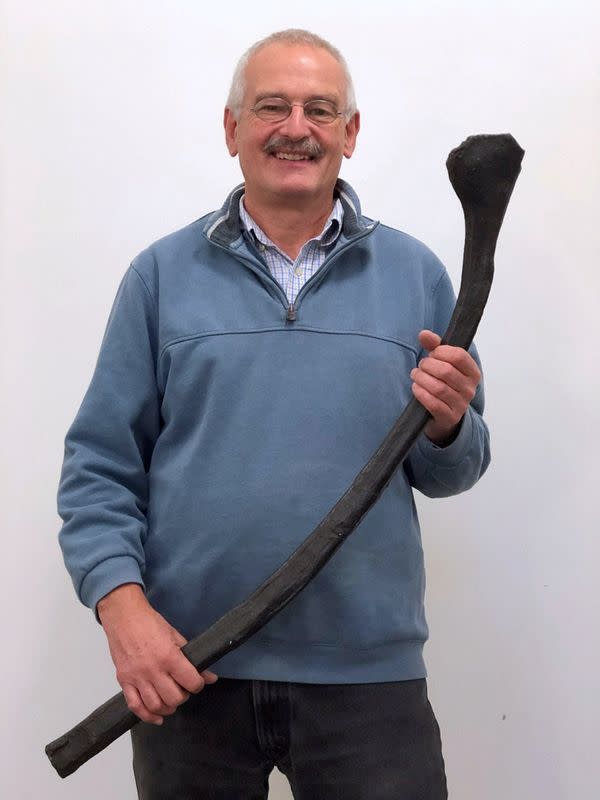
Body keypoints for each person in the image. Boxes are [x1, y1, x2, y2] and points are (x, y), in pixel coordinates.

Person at [57, 29, 489, 799]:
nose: (296, 126)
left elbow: (450, 472)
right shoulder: (160, 277)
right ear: (232, 129)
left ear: (349, 135)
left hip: (369, 681)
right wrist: (123, 612)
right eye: (271, 107)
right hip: (190, 671)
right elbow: (99, 468)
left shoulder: (417, 274)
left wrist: (450, 425)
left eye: (320, 109)